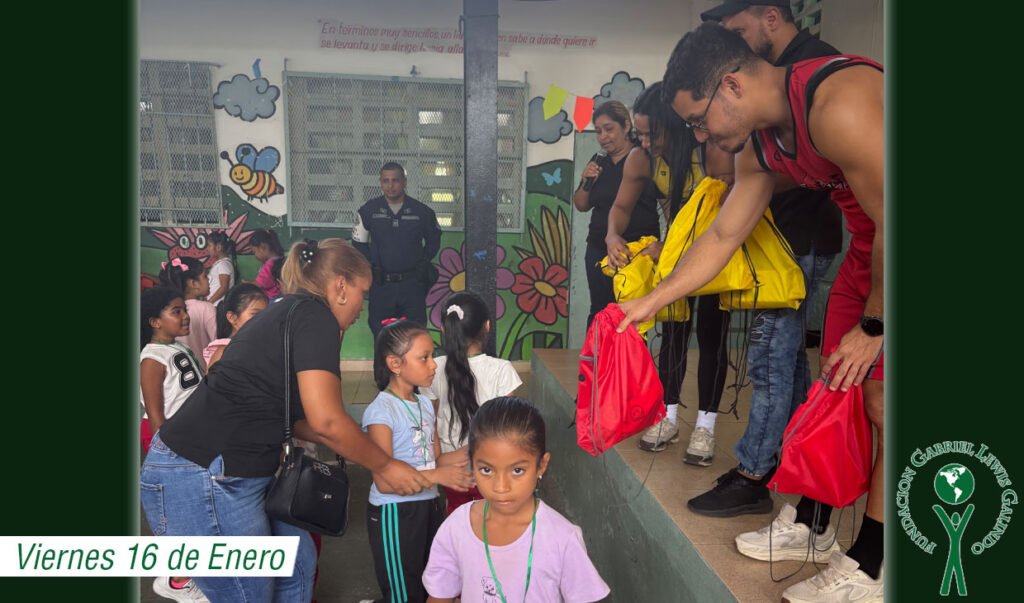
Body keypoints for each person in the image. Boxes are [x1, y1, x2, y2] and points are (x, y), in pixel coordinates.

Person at [620, 23, 884, 601]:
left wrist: (875, 326)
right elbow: (720, 237)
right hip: (868, 251)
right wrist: (653, 301)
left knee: (883, 400)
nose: (698, 134)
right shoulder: (762, 144)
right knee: (839, 390)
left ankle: (875, 562)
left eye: (697, 120)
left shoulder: (836, 102)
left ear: (731, 86)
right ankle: (816, 527)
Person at [140, 238, 433, 602]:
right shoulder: (314, 316)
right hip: (204, 474)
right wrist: (385, 465)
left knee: (296, 568)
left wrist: (356, 440)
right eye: (363, 292)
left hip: (235, 472)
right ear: (341, 286)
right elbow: (327, 422)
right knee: (249, 593)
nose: (362, 306)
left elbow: (296, 419)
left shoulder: (293, 313)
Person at [685, 1, 845, 518]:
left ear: (771, 16)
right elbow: (732, 202)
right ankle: (784, 464)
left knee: (772, 357)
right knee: (787, 359)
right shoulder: (766, 90)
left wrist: (877, 317)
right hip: (779, 237)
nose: (734, 47)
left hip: (802, 238)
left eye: (738, 32)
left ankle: (755, 472)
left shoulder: (817, 71)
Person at [606, 82, 732, 466]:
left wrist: (680, 247)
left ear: (676, 126)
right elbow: (621, 209)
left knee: (712, 336)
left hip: (713, 255)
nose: (644, 141)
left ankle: (706, 426)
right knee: (674, 334)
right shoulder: (642, 160)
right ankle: (669, 417)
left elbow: (725, 218)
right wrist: (614, 235)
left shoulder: (712, 153)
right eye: (639, 133)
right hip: (673, 258)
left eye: (651, 133)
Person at [422, 397, 610, 603]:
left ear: (541, 465)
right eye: (486, 470)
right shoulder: (457, 527)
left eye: (517, 470)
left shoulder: (562, 539)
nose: (501, 487)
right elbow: (440, 596)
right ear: (472, 464)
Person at [362, 319, 474, 603]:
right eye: (424, 358)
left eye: (432, 356)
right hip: (395, 514)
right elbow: (384, 481)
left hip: (428, 505)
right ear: (395, 364)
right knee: (404, 592)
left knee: (431, 583)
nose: (434, 365)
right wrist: (439, 477)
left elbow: (436, 459)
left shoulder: (424, 404)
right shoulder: (381, 412)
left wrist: (476, 450)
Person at [425, 291, 523, 514]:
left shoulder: (432, 369)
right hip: (492, 471)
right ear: (487, 326)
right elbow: (508, 430)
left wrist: (442, 460)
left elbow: (427, 428)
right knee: (493, 526)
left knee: (459, 525)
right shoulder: (502, 370)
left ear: (443, 329)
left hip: (451, 472)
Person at [139, 286, 207, 603]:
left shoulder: (176, 349)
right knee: (180, 512)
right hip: (170, 442)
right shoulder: (152, 358)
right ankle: (175, 579)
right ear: (155, 321)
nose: (185, 316)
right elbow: (156, 417)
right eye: (176, 311)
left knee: (194, 511)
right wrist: (170, 457)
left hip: (189, 439)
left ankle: (184, 574)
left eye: (184, 309)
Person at [572, 100, 660, 327]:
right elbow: (581, 204)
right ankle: (597, 361)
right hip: (599, 247)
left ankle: (627, 362)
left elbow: (668, 199)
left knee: (633, 312)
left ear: (626, 126)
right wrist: (586, 181)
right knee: (600, 309)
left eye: (609, 129)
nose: (603, 137)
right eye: (599, 131)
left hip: (637, 250)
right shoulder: (598, 161)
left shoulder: (644, 158)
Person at [352, 162, 442, 339]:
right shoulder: (368, 211)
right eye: (386, 181)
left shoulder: (422, 212)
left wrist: (422, 262)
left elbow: (434, 240)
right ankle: (383, 368)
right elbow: (359, 243)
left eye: (395, 181)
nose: (390, 185)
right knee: (381, 336)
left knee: (414, 335)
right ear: (380, 182)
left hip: (412, 285)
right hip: (381, 285)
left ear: (404, 182)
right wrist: (373, 265)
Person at [159, 256, 217, 372]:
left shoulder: (164, 312)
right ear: (193, 283)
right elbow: (218, 344)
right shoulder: (206, 308)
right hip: (204, 378)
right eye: (205, 276)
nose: (209, 280)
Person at [202, 283, 269, 370]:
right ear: (232, 318)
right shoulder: (224, 352)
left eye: (266, 314)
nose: (263, 319)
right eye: (255, 314)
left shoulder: (258, 345)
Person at [249, 228, 285, 299]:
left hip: (271, 299)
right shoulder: (281, 260)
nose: (255, 256)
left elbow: (260, 284)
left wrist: (247, 284)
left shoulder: (269, 265)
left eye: (254, 252)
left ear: (263, 247)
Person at [205, 231, 237, 305]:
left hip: (219, 306)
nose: (207, 248)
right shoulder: (221, 263)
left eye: (209, 245)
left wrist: (210, 302)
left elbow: (224, 287)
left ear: (218, 247)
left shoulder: (223, 264)